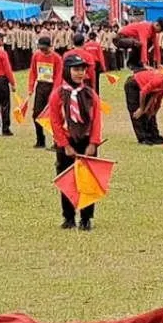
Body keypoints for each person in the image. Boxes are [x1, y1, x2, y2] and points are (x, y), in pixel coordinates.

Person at [50, 55, 104, 231]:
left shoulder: (90, 94)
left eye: (82, 69)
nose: (80, 73)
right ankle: (68, 217)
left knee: (88, 181)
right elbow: (55, 122)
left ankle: (87, 218)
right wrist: (65, 145)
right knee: (67, 180)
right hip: (67, 144)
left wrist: (93, 143)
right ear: (67, 71)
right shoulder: (58, 94)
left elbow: (97, 119)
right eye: (76, 69)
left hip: (87, 142)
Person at [28, 36, 63, 149]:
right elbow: (33, 72)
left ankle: (57, 141)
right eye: (41, 48)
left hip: (53, 88)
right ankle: (40, 140)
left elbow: (59, 76)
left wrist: (55, 92)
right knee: (36, 115)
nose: (42, 51)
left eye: (44, 49)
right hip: (41, 86)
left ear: (50, 46)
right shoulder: (36, 56)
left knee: (54, 116)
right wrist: (31, 87)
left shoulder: (57, 58)